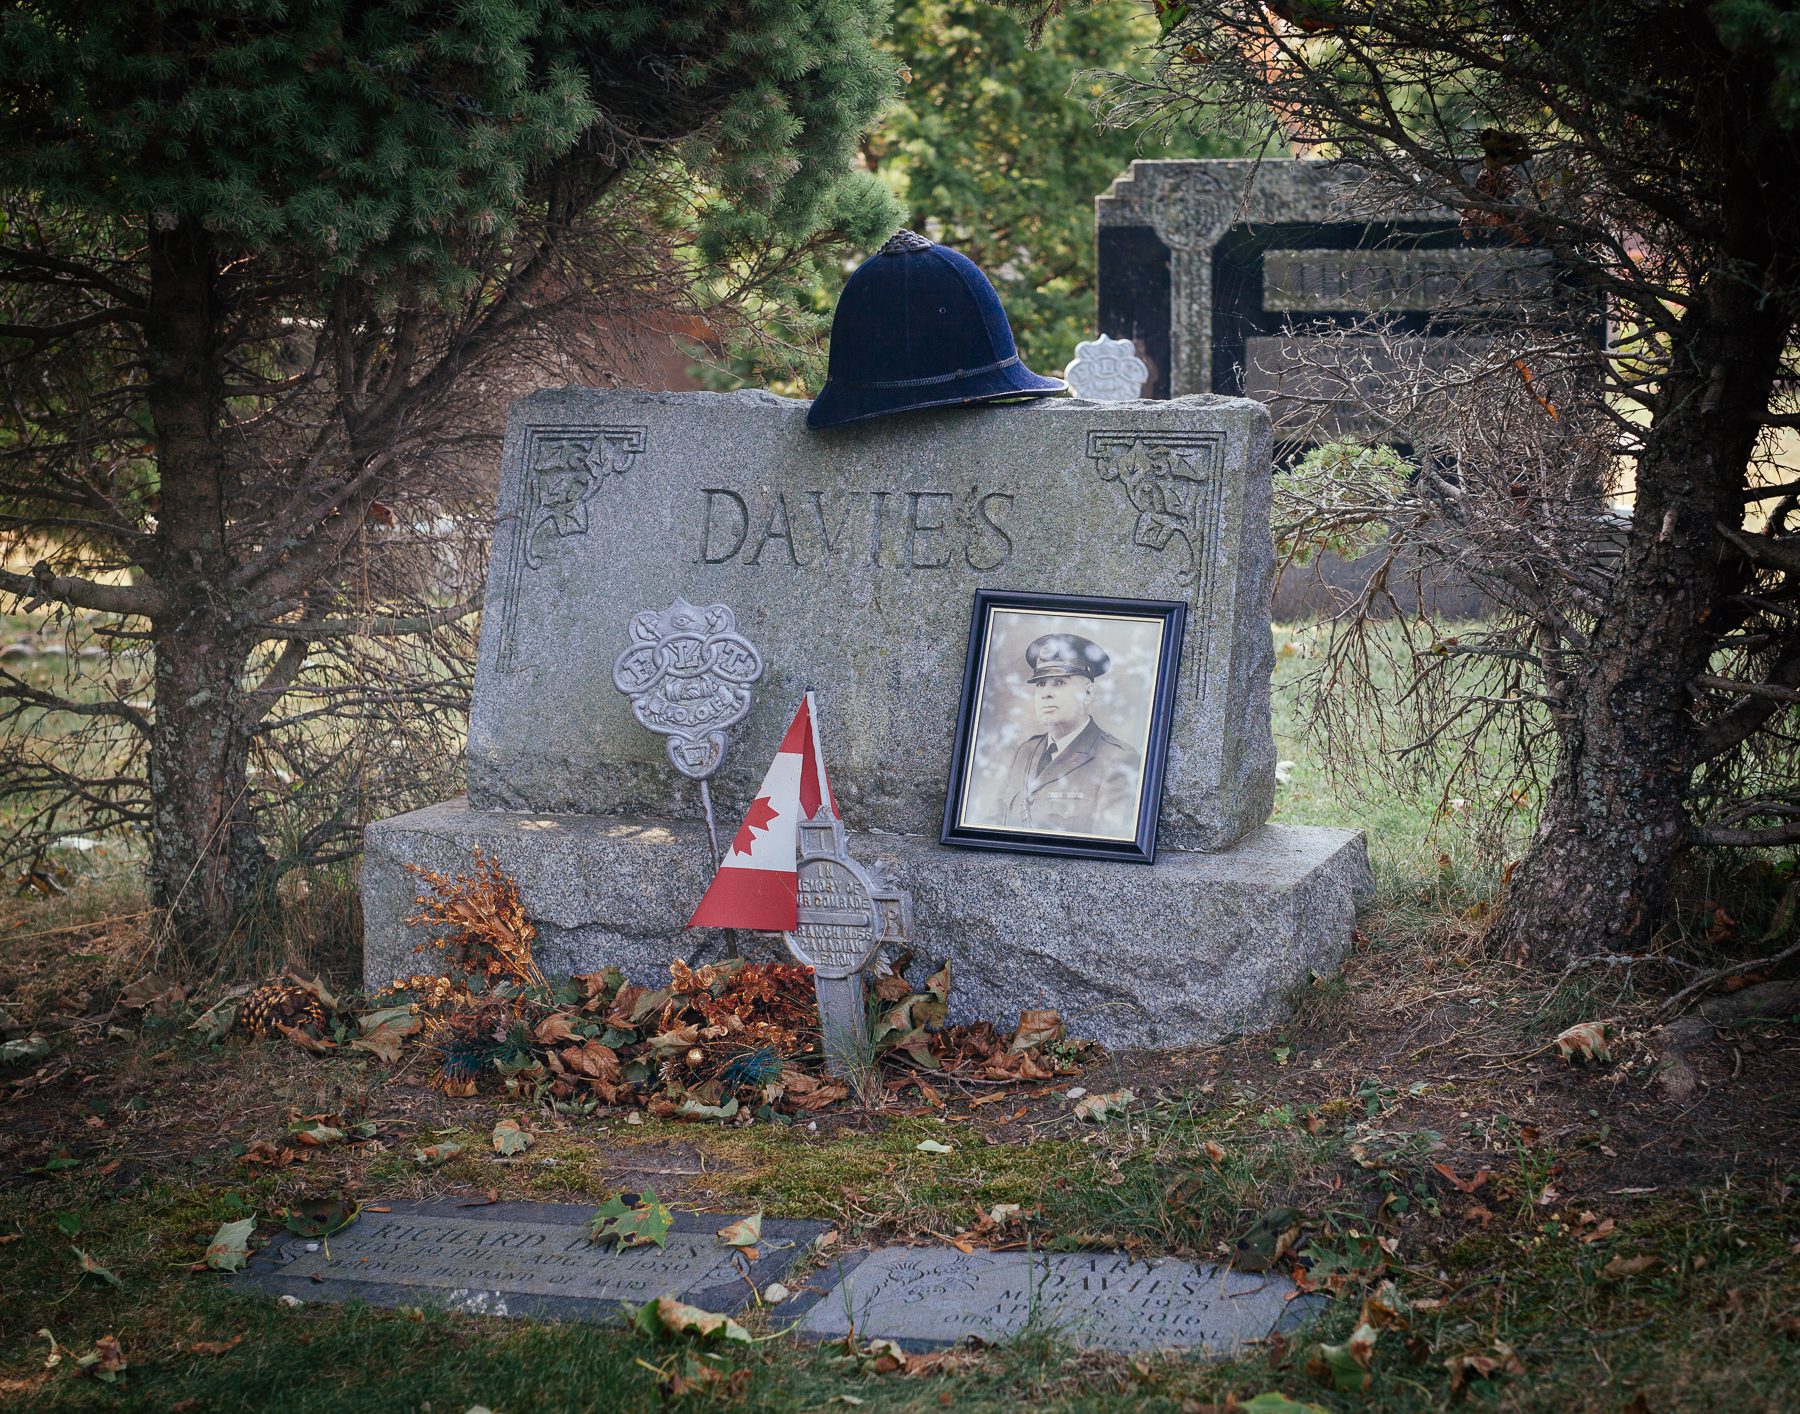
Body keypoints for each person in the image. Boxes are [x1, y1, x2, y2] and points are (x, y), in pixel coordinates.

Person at [994, 633, 1141, 837]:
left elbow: (1109, 847)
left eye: (1060, 683)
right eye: (1040, 684)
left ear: (1088, 693)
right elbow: (995, 824)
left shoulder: (1118, 760)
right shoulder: (1026, 751)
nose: (1046, 693)